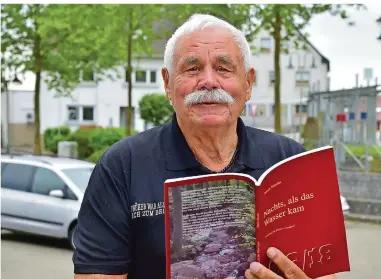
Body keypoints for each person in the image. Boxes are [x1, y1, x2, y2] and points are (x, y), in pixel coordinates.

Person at [72, 13, 337, 279]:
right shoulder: (121, 166)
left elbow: (324, 271)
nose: (209, 81)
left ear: (248, 83)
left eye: (223, 68)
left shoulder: (292, 161)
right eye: (192, 68)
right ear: (167, 83)